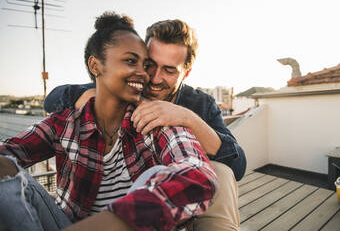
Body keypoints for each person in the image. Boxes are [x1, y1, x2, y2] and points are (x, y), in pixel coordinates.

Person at [0, 12, 218, 231]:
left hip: (135, 224)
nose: (147, 76)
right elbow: (12, 148)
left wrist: (117, 222)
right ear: (96, 66)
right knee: (7, 173)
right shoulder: (66, 121)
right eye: (132, 61)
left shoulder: (155, 118)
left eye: (144, 64)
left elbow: (198, 173)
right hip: (64, 223)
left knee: (155, 175)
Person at [44, 18, 246, 231]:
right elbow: (54, 98)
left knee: (220, 170)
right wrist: (86, 97)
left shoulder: (200, 103)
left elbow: (237, 166)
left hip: (179, 202)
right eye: (150, 65)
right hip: (119, 202)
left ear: (186, 72)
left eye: (169, 70)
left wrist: (187, 118)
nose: (155, 78)